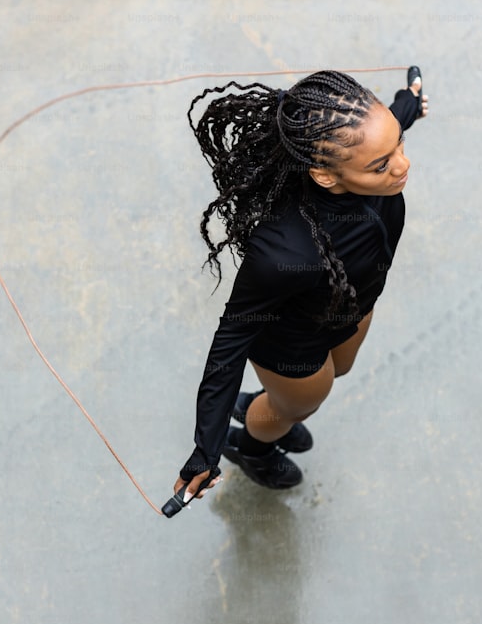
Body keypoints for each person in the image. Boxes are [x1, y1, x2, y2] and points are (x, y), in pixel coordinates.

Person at [174, 68, 429, 503]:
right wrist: (205, 450)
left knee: (342, 368)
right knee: (298, 407)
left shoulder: (364, 153)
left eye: (398, 144)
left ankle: (269, 403)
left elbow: (388, 125)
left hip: (354, 303)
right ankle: (254, 448)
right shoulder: (283, 250)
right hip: (292, 344)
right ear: (326, 175)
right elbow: (230, 341)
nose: (403, 165)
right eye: (382, 164)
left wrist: (407, 103)